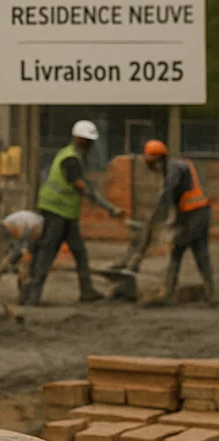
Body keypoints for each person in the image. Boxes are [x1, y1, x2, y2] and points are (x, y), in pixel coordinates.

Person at [25, 119, 123, 305]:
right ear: (79, 139)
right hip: (55, 211)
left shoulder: (74, 156)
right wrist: (109, 208)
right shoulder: (70, 158)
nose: (90, 144)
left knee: (79, 252)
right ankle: (32, 296)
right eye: (87, 140)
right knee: (47, 252)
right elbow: (82, 187)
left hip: (67, 213)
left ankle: (87, 291)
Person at [140, 139, 214, 305]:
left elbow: (168, 194)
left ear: (160, 159)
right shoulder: (173, 169)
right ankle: (212, 294)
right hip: (197, 214)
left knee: (177, 249)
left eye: (152, 163)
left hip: (196, 214)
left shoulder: (175, 168)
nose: (152, 168)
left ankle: (168, 293)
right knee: (201, 253)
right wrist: (173, 222)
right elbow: (177, 201)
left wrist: (153, 220)